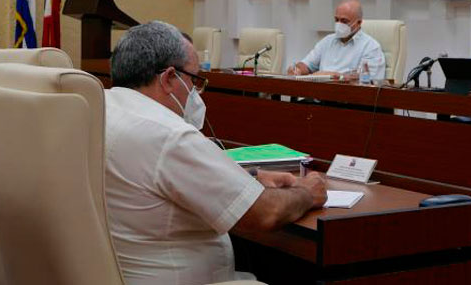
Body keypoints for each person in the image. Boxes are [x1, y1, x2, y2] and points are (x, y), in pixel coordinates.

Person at [105, 21, 327, 285]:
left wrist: (249, 176)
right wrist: (308, 191)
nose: (197, 93)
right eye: (194, 81)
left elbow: (158, 178)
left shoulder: (100, 108)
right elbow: (266, 214)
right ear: (167, 78)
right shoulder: (170, 135)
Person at [288, 0, 386, 81]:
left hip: (347, 101)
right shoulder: (327, 41)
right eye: (336, 20)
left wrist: (330, 75)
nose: (339, 24)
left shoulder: (371, 47)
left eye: (344, 21)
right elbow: (307, 64)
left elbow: (369, 80)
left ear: (359, 22)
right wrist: (297, 69)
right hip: (318, 98)